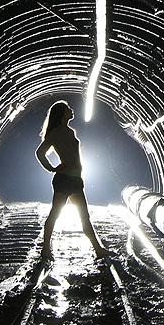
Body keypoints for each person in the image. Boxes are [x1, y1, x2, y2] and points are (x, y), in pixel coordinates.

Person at [35, 100, 112, 259]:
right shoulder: (56, 133)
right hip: (64, 179)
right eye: (68, 109)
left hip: (75, 179)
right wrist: (52, 168)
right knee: (55, 214)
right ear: (62, 114)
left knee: (84, 216)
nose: (71, 110)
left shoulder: (69, 131)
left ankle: (98, 249)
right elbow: (40, 153)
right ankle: (46, 249)